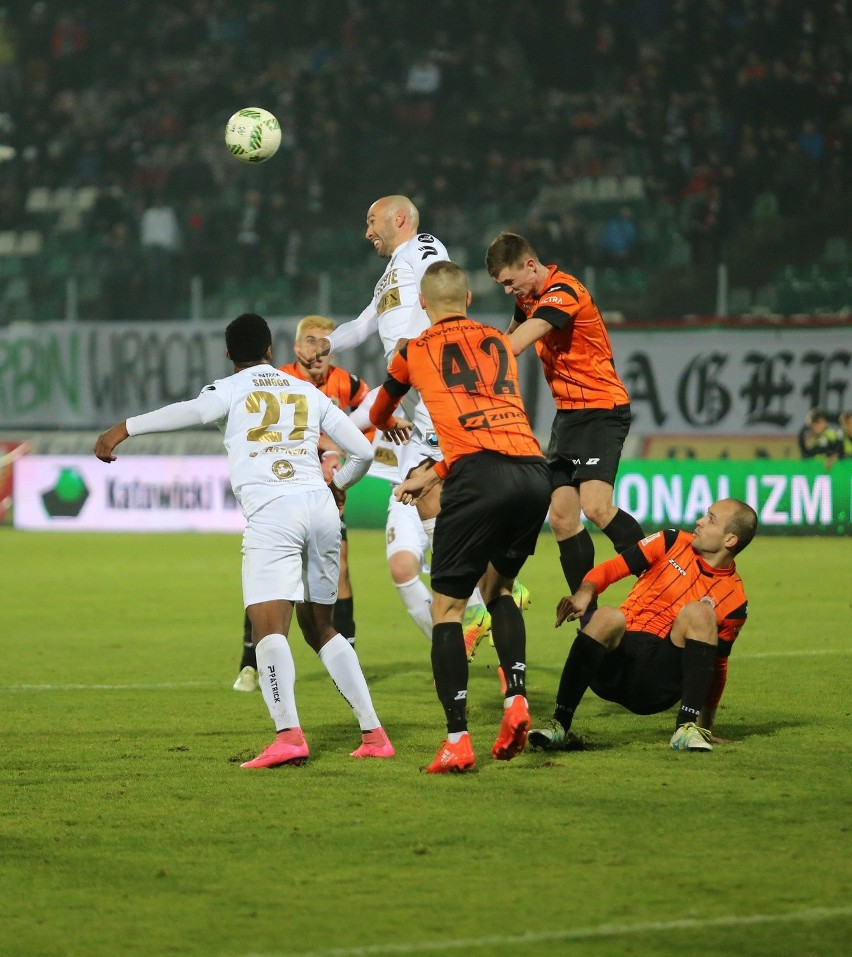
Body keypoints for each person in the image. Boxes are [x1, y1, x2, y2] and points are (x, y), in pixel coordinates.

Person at [94, 312, 394, 767]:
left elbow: (191, 412)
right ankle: (374, 734)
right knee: (322, 628)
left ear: (230, 354)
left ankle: (289, 735)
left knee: (268, 628)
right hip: (319, 508)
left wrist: (124, 428)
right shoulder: (306, 391)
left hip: (274, 514)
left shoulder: (229, 389)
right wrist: (340, 485)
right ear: (271, 351)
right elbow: (364, 450)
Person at [370, 261, 552, 773]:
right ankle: (516, 699)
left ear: (423, 306)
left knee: (447, 611)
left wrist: (392, 423)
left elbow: (382, 412)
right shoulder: (498, 341)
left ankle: (457, 739)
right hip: (532, 471)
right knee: (499, 591)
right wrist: (438, 470)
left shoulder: (413, 349)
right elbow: (493, 424)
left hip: (478, 477)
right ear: (469, 300)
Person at [296, 194, 494, 654]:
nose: (367, 231)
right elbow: (365, 323)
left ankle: (482, 597)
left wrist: (411, 345)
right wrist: (326, 342)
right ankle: (482, 597)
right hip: (411, 381)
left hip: (428, 375)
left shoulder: (423, 246)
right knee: (421, 480)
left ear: (399, 219)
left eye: (372, 221)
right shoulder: (388, 274)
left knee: (426, 477)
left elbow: (437, 286)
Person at [484, 231, 645, 626]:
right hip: (569, 416)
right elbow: (511, 333)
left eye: (509, 281)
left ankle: (660, 576)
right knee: (561, 517)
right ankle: (587, 615)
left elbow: (517, 343)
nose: (508, 291)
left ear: (530, 265)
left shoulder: (563, 291)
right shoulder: (528, 297)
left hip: (601, 409)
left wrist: (464, 354)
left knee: (596, 506)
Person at [529, 498, 758, 753]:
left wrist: (707, 727)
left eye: (711, 519)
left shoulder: (735, 600)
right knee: (606, 615)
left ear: (730, 540)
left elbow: (716, 666)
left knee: (700, 613)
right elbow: (613, 567)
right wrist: (586, 592)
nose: (699, 522)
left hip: (659, 683)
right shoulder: (670, 541)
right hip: (616, 666)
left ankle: (687, 728)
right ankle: (558, 725)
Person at [233, 314, 375, 692]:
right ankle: (250, 662)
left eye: (326, 342)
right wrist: (330, 446)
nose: (319, 350)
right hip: (279, 492)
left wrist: (357, 447)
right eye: (311, 341)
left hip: (324, 494)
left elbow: (376, 412)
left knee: (341, 567)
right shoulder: (276, 380)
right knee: (272, 579)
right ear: (297, 348)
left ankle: (347, 651)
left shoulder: (348, 383)